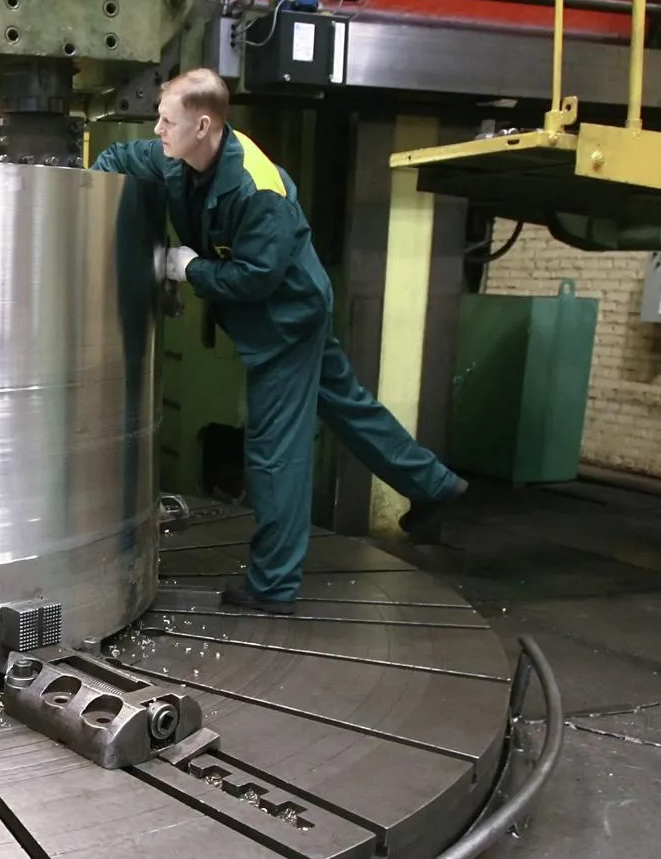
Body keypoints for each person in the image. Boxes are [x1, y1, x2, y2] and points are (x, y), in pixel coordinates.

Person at [91, 68, 466, 615]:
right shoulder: (175, 158)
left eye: (167, 120)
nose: (158, 129)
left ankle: (273, 585)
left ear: (203, 125)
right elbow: (117, 159)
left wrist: (188, 269)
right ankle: (433, 485)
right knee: (349, 407)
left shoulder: (257, 189)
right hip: (277, 311)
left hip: (287, 320)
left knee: (274, 452)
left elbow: (256, 279)